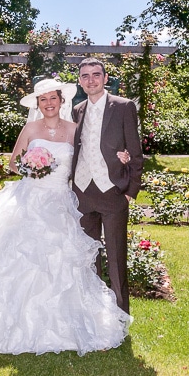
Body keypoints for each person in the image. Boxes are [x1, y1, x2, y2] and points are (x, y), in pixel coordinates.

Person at [0, 78, 131, 356]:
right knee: (15, 259)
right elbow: (14, 162)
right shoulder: (31, 128)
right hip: (30, 199)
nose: (48, 104)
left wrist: (123, 156)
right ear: (38, 104)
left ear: (61, 101)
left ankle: (67, 322)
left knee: (62, 261)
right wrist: (33, 168)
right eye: (43, 99)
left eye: (53, 98)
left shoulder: (73, 130)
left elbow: (93, 154)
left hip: (60, 201)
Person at [70, 57, 143, 315]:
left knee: (115, 257)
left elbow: (135, 151)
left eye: (96, 74)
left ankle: (120, 315)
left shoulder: (123, 107)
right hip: (82, 192)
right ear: (80, 81)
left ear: (105, 78)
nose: (91, 80)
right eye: (85, 76)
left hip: (113, 192)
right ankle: (94, 313)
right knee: (89, 257)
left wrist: (130, 193)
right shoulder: (77, 110)